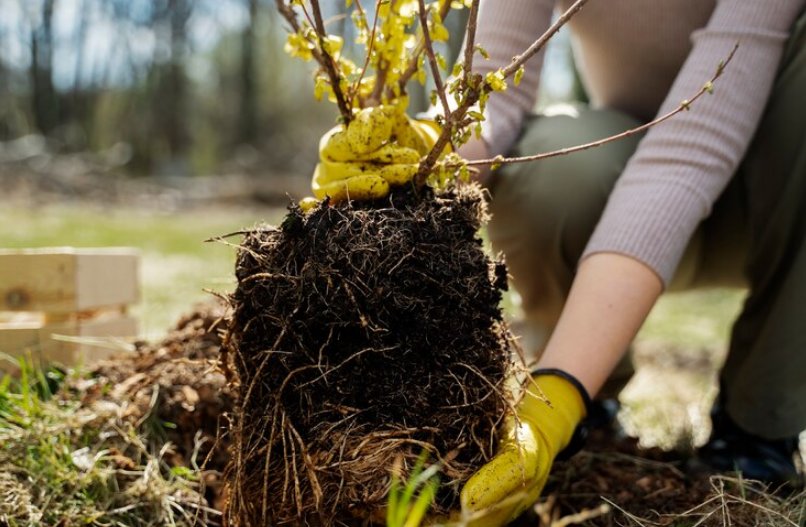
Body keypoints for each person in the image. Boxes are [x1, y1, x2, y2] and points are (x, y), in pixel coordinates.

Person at [312, 0, 806, 524]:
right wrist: (429, 149)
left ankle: (758, 425)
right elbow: (491, 90)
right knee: (552, 163)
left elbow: (691, 152)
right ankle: (595, 395)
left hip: (778, 204)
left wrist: (556, 399)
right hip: (624, 177)